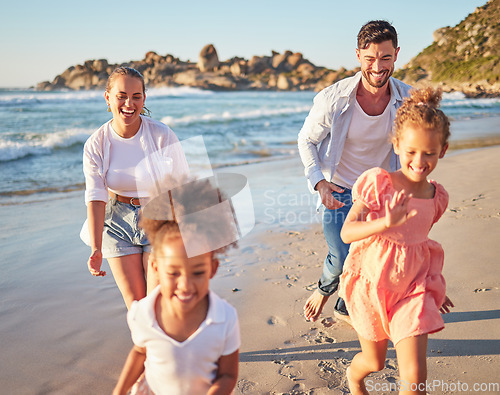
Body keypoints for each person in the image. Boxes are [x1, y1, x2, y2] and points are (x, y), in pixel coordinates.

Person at [338, 87, 454, 394]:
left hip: (414, 289)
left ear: (442, 149)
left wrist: (435, 286)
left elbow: (420, 245)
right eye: (411, 152)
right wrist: (384, 223)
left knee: (414, 379)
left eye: (430, 153)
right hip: (371, 285)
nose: (420, 161)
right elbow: (347, 233)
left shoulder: (436, 196)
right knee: (374, 362)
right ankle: (354, 377)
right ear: (397, 144)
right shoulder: (379, 183)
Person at [298, 20, 412, 323]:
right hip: (339, 190)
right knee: (340, 258)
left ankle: (344, 305)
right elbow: (306, 140)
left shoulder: (408, 100)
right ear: (358, 55)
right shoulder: (333, 99)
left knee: (373, 259)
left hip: (381, 193)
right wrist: (319, 183)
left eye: (386, 58)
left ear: (397, 54)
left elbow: (424, 138)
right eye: (370, 58)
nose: (378, 66)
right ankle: (324, 289)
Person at [112, 176, 240, 395]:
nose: (185, 284)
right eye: (173, 273)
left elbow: (228, 374)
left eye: (198, 272)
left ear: (213, 268)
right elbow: (140, 352)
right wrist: (120, 390)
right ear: (155, 267)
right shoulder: (142, 313)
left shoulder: (224, 318)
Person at [82, 66, 188, 309]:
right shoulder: (96, 143)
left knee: (157, 300)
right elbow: (96, 197)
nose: (129, 103)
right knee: (136, 305)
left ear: (144, 99)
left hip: (159, 218)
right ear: (108, 98)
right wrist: (96, 248)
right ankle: (146, 347)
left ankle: (161, 345)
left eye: (136, 96)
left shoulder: (162, 135)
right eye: (121, 96)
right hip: (116, 222)